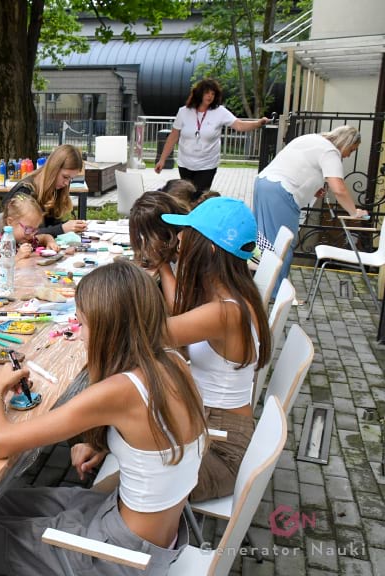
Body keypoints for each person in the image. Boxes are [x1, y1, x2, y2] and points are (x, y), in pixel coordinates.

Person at [0, 260, 207, 576]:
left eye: (83, 324)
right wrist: (107, 444)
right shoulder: (173, 359)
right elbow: (154, 436)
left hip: (120, 555)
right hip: (150, 533)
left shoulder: (121, 391)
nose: (79, 336)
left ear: (108, 328)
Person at [158, 197, 271, 502]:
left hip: (219, 449)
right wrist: (163, 269)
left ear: (208, 248)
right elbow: (180, 315)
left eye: (188, 232)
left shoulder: (224, 312)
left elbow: (150, 333)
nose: (179, 239)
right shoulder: (232, 295)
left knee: (124, 485)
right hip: (208, 429)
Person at [254, 125, 367, 293]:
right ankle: (274, 292)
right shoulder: (330, 151)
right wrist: (354, 212)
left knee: (265, 240)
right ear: (346, 143)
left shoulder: (311, 139)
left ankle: (259, 285)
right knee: (283, 243)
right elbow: (339, 189)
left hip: (263, 183)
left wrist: (314, 187)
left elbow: (298, 166)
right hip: (282, 192)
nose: (349, 155)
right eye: (351, 149)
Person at [155, 78, 269, 197]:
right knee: (187, 196)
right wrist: (162, 160)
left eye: (213, 94)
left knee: (198, 197)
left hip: (207, 164)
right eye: (207, 93)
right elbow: (173, 136)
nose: (210, 96)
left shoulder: (220, 112)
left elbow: (239, 125)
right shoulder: (183, 112)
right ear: (199, 93)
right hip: (185, 164)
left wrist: (258, 123)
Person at [2, 144, 87, 236]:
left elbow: (51, 224)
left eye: (70, 179)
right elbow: (26, 233)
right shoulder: (25, 191)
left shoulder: (54, 190)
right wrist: (62, 228)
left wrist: (70, 225)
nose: (66, 183)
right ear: (54, 169)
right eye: (65, 177)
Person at [0, 193, 58, 277]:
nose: (31, 235)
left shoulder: (28, 240)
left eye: (35, 230)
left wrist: (51, 242)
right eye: (28, 229)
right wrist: (17, 257)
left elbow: (45, 237)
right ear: (10, 222)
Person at [128, 191, 187, 272]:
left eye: (145, 234)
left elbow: (178, 285)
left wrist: (161, 263)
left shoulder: (185, 244)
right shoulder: (180, 232)